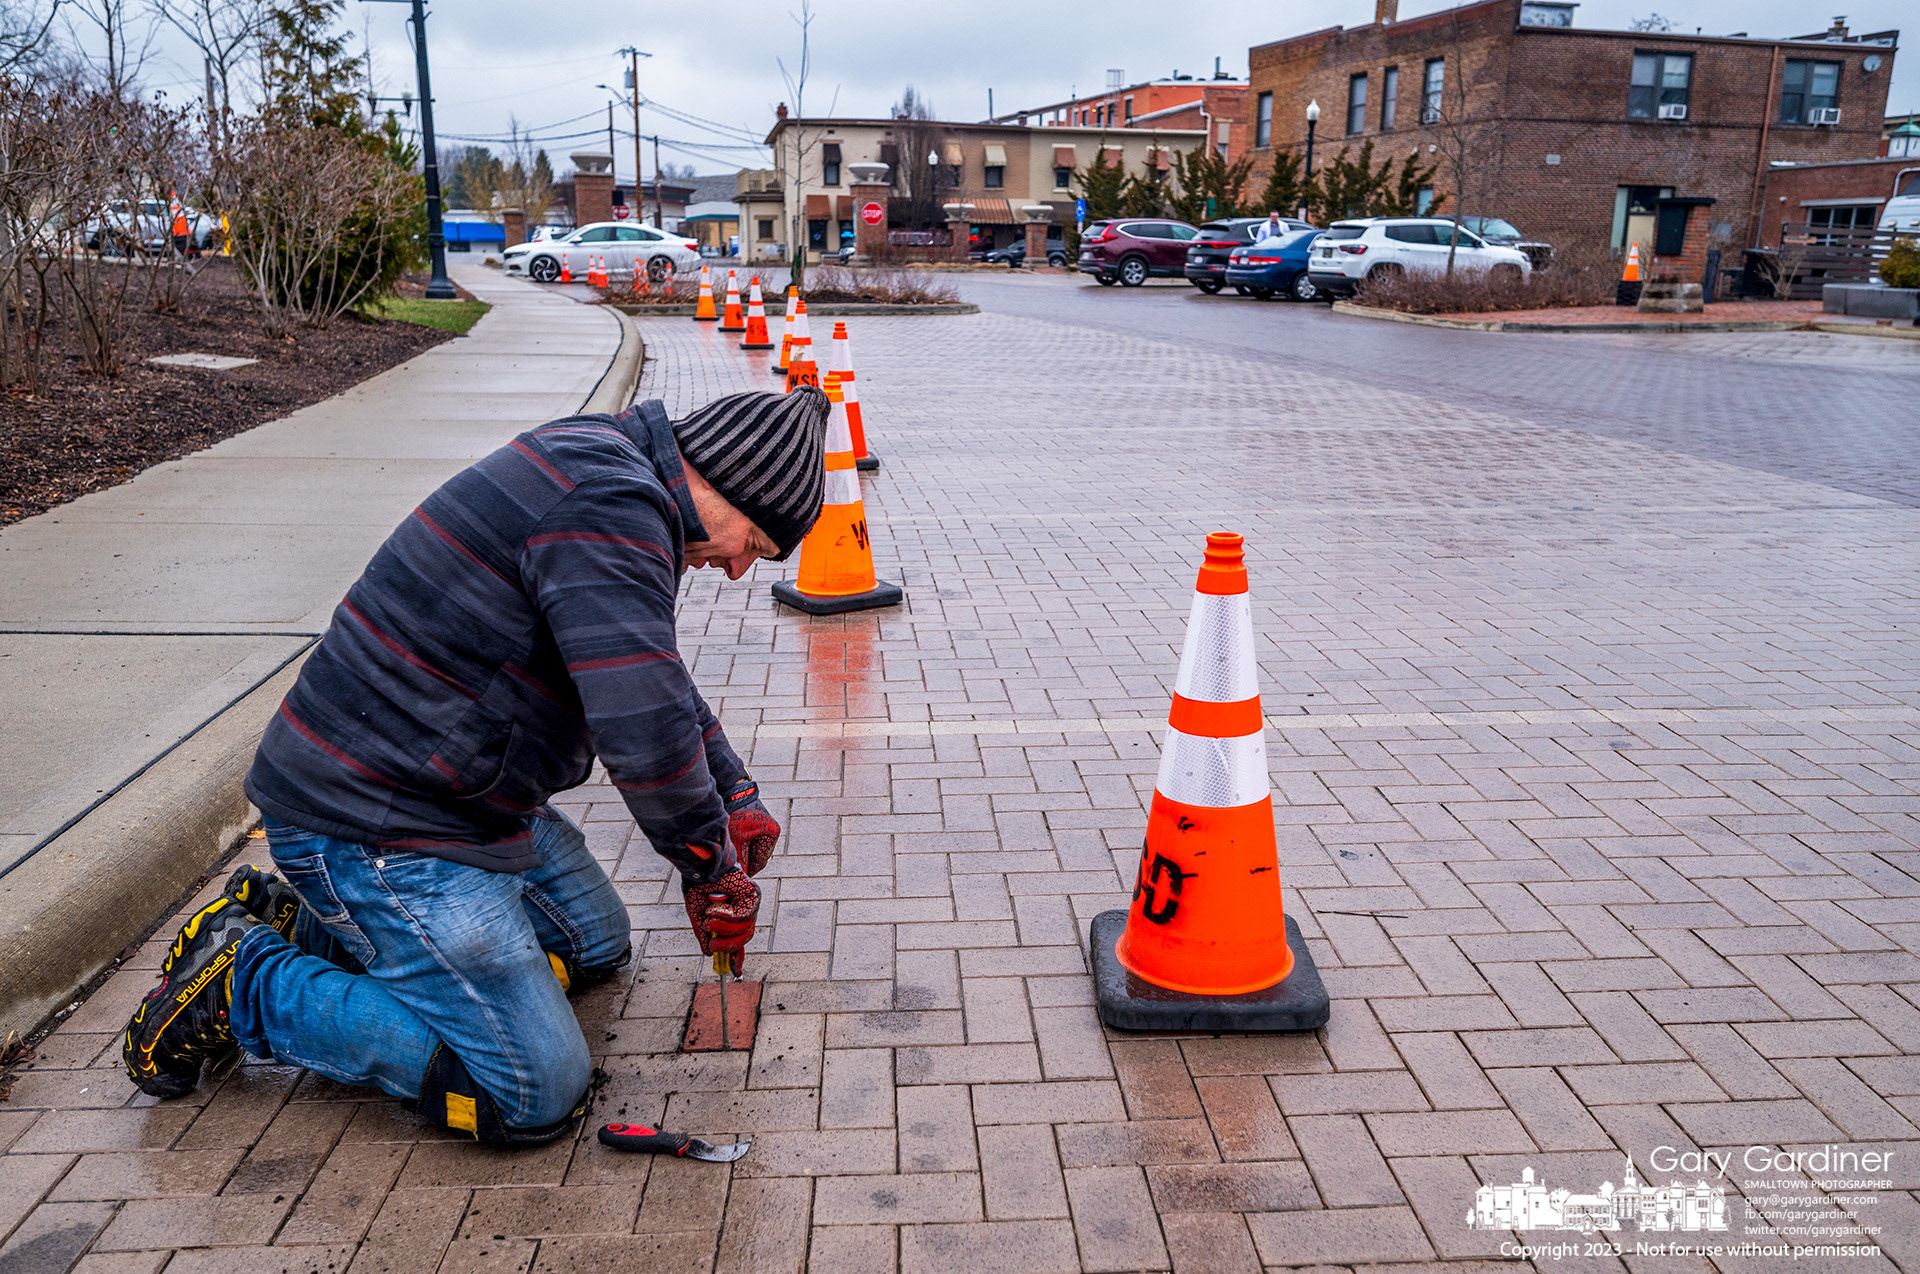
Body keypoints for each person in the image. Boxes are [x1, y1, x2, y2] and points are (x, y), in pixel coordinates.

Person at [123, 388, 830, 1145]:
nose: (734, 570)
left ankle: (302, 922)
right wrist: (709, 866)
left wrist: (735, 790)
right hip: (377, 824)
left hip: (447, 795)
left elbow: (645, 671)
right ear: (722, 484)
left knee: (594, 942)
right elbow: (646, 732)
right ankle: (244, 982)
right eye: (753, 544)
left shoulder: (611, 470)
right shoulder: (612, 510)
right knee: (532, 1092)